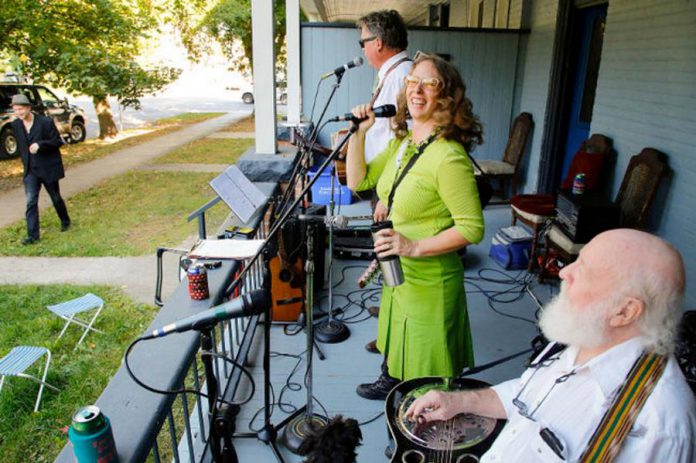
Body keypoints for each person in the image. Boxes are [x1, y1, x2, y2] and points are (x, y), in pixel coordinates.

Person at [406, 229, 696, 462]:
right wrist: (458, 401)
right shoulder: (580, 337)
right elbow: (527, 396)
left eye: (584, 270)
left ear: (624, 312)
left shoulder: (660, 425)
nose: (563, 272)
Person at [345, 54, 485, 400]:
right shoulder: (404, 142)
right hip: (399, 274)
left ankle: (418, 432)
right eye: (412, 81)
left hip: (430, 281)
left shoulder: (448, 157)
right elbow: (357, 181)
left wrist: (414, 246)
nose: (416, 90)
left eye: (429, 83)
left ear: (447, 96)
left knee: (426, 372)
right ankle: (391, 379)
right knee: (395, 336)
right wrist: (359, 135)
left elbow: (471, 228)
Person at [355, 9, 412, 346]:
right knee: (388, 257)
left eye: (363, 41)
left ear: (378, 42)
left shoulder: (402, 76)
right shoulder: (392, 74)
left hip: (392, 183)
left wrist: (388, 194)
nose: (361, 49)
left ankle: (395, 334)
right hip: (383, 178)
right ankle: (391, 311)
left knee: (395, 257)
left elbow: (402, 141)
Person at [11, 93, 71, 245]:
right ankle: (32, 236)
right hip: (31, 170)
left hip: (47, 168)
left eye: (21, 109)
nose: (18, 113)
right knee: (31, 201)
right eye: (16, 110)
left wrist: (40, 145)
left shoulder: (45, 122)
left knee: (55, 197)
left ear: (29, 108)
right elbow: (22, 148)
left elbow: (57, 141)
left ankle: (65, 220)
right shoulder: (16, 125)